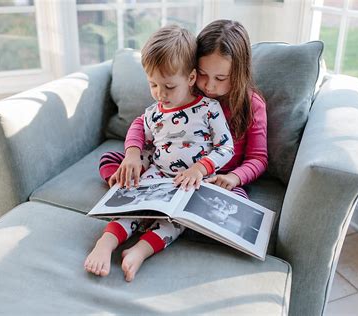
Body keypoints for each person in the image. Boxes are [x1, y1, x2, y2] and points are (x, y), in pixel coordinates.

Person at [84, 24, 235, 282]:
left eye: (168, 86)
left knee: (175, 223)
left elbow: (226, 147)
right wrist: (132, 155)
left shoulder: (209, 109)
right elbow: (139, 134)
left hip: (192, 182)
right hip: (158, 174)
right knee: (133, 210)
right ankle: (105, 243)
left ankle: (139, 252)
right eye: (153, 84)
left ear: (189, 78)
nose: (160, 94)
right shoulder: (154, 112)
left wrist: (200, 168)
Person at [100, 19, 267, 199]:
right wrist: (132, 153)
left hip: (217, 176)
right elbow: (143, 122)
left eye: (220, 78)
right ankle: (127, 187)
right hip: (168, 169)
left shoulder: (252, 104)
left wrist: (234, 177)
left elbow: (258, 158)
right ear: (193, 72)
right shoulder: (188, 90)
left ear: (239, 73)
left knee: (237, 200)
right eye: (203, 74)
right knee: (109, 160)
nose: (209, 86)